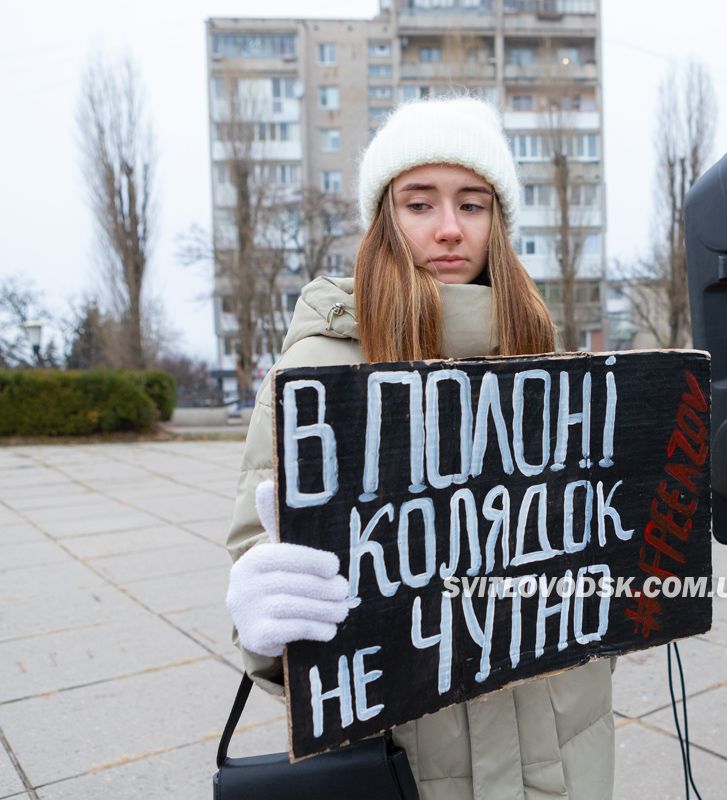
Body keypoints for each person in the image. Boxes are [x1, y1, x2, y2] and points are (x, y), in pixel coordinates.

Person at [222, 96, 615, 799]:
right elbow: (268, 560)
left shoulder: (539, 354)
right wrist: (267, 619)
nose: (447, 229)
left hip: (565, 746)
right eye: (418, 203)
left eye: (472, 204)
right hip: (411, 757)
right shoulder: (318, 368)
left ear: (498, 221)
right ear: (384, 219)